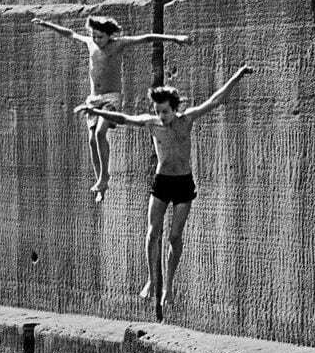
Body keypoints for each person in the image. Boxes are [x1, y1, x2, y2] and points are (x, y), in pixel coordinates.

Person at [75, 65, 254, 306]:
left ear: (175, 108)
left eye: (165, 112)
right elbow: (124, 118)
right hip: (162, 182)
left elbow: (215, 100)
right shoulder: (152, 123)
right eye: (158, 111)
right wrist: (96, 111)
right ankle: (152, 280)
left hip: (183, 183)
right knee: (152, 233)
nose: (162, 117)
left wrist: (237, 75)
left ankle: (168, 286)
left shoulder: (186, 119)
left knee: (175, 236)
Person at [32, 16, 191, 201]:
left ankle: (104, 176)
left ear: (109, 35)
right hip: (93, 99)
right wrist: (46, 24)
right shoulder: (90, 43)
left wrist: (175, 38)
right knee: (92, 140)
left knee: (100, 132)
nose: (96, 40)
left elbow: (146, 38)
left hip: (111, 98)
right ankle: (101, 183)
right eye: (93, 36)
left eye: (100, 37)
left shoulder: (118, 44)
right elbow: (69, 34)